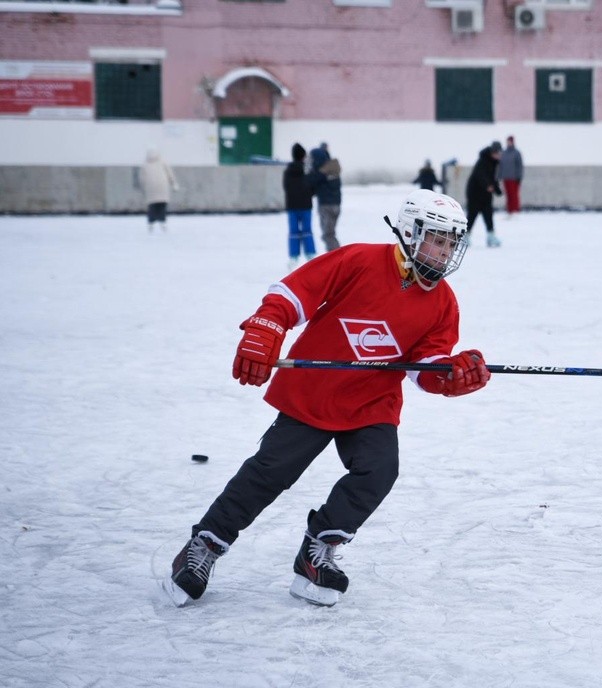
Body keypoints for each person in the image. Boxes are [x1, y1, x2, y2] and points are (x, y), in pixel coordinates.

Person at [163, 189, 491, 609]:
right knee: (269, 473)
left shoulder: (443, 303)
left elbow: (424, 366)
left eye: (451, 243)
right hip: (312, 393)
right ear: (410, 232)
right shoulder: (358, 260)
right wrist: (265, 329)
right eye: (437, 239)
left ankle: (317, 552)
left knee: (379, 471)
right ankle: (204, 547)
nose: (445, 253)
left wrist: (450, 375)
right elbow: (292, 293)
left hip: (372, 404)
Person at [283, 143, 316, 270]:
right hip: (306, 205)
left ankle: (293, 257)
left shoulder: (288, 171)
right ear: (303, 156)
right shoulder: (307, 171)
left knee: (293, 231)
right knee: (307, 230)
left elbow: (286, 187)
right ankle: (311, 255)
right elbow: (313, 187)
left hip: (292, 205)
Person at [465, 140, 503, 247]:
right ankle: (465, 237)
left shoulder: (494, 163)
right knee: (472, 215)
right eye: (497, 153)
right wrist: (487, 185)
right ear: (493, 152)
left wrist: (497, 190)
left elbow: (493, 179)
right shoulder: (482, 161)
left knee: (488, 215)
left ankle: (491, 236)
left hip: (486, 194)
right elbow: (479, 175)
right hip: (475, 193)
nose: (499, 156)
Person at [308, 141, 342, 252]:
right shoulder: (332, 168)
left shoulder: (320, 172)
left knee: (328, 235)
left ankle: (337, 257)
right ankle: (336, 256)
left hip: (326, 206)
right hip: (335, 205)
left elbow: (310, 183)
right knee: (329, 234)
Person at [138, 150, 179, 232]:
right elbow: (169, 174)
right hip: (162, 187)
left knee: (152, 206)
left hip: (150, 189)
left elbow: (142, 179)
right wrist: (174, 184)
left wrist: (143, 189)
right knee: (162, 205)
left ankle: (151, 223)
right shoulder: (163, 162)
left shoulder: (145, 165)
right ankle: (162, 222)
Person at [498, 135, 524, 217]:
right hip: (506, 177)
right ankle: (509, 210)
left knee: (514, 195)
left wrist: (519, 176)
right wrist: (499, 176)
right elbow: (500, 165)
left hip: (514, 178)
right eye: (508, 141)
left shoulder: (516, 153)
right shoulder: (504, 153)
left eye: (510, 141)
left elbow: (519, 165)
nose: (509, 143)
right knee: (508, 195)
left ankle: (515, 210)